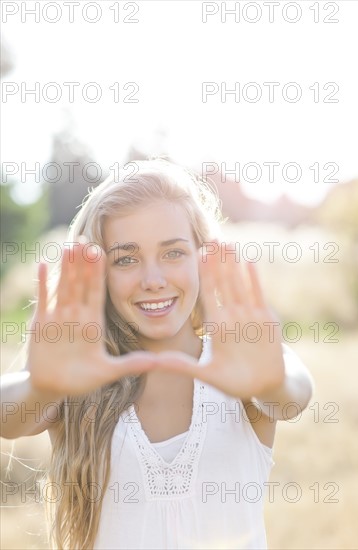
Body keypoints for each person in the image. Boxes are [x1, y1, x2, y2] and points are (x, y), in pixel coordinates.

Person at [1, 158, 314, 550]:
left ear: (204, 256)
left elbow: (294, 395)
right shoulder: (81, 375)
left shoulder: (241, 360)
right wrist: (37, 389)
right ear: (99, 272)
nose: (153, 280)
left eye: (173, 253)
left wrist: (273, 384)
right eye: (126, 259)